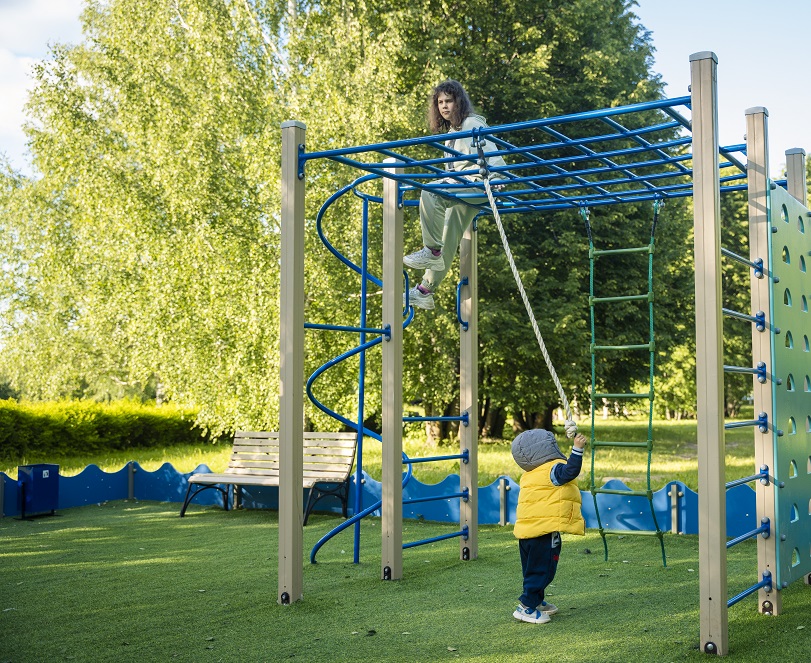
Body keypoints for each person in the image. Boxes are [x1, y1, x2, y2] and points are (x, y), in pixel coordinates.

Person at [403, 80, 506, 310]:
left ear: (458, 102)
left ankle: (431, 250)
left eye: (448, 101)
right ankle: (425, 290)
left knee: (430, 191)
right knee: (448, 232)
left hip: (477, 184)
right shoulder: (452, 132)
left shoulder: (471, 123)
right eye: (440, 102)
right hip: (464, 189)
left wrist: (497, 179)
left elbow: (492, 153)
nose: (444, 106)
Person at [510, 427, 587, 624]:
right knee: (544, 570)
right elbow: (570, 471)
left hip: (527, 533)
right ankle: (526, 607)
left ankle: (535, 601)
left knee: (533, 569)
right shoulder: (551, 470)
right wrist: (577, 449)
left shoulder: (529, 474)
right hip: (543, 532)